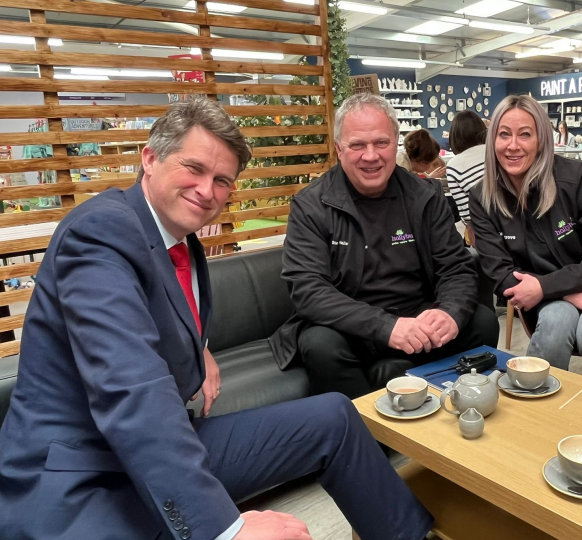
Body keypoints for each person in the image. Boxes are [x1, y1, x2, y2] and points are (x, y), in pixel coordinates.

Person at [0, 98, 433, 540]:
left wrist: (196, 346)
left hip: (161, 446)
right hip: (83, 476)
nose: (207, 190)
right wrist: (227, 530)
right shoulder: (101, 232)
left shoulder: (180, 241)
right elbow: (131, 391)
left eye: (222, 180)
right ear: (150, 159)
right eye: (194, 169)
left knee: (336, 418)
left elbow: (148, 310)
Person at [275, 93, 499, 399]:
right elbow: (308, 290)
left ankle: (446, 420)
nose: (371, 155)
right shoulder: (312, 205)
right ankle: (367, 442)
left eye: (381, 143)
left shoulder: (425, 195)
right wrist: (387, 328)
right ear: (339, 149)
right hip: (350, 327)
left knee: (481, 322)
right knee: (320, 345)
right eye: (357, 145)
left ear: (396, 144)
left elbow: (456, 267)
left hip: (419, 316)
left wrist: (448, 312)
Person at [469, 95, 582, 384]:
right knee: (556, 322)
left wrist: (545, 286)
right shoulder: (482, 197)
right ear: (492, 141)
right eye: (504, 134)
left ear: (542, 140)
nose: (513, 145)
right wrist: (563, 293)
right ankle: (537, 408)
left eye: (525, 134)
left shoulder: (577, 178)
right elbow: (499, 273)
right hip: (545, 294)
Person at [446, 110, 487, 224]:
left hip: (484, 225)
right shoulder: (495, 151)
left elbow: (465, 210)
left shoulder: (454, 165)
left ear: (454, 136)